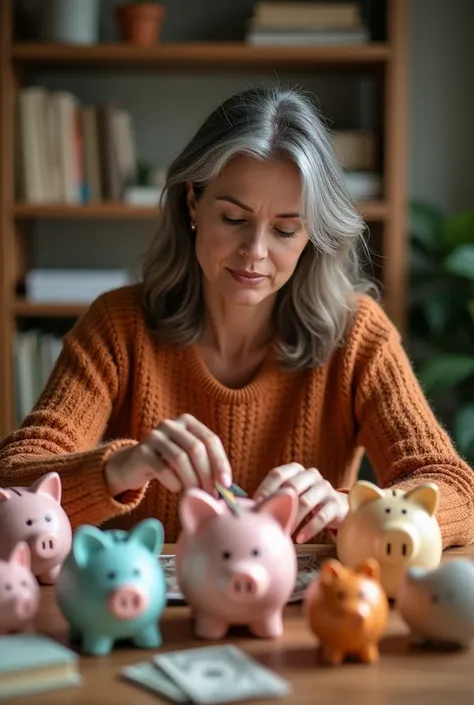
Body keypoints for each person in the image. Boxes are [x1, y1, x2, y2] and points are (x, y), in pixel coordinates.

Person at [0, 84, 473, 548]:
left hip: (301, 620)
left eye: (286, 229)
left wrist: (354, 507)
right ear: (192, 203)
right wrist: (121, 468)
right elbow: (13, 478)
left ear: (313, 235)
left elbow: (457, 491)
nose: (255, 253)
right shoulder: (119, 326)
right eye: (233, 219)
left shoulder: (357, 335)